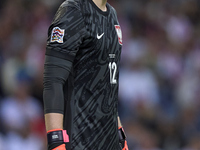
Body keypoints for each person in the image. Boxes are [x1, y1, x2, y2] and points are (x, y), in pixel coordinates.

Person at [43, 0, 128, 149]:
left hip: (109, 142)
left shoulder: (112, 14)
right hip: (79, 140)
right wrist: (55, 140)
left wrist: (121, 136)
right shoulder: (74, 10)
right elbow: (53, 81)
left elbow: (107, 87)